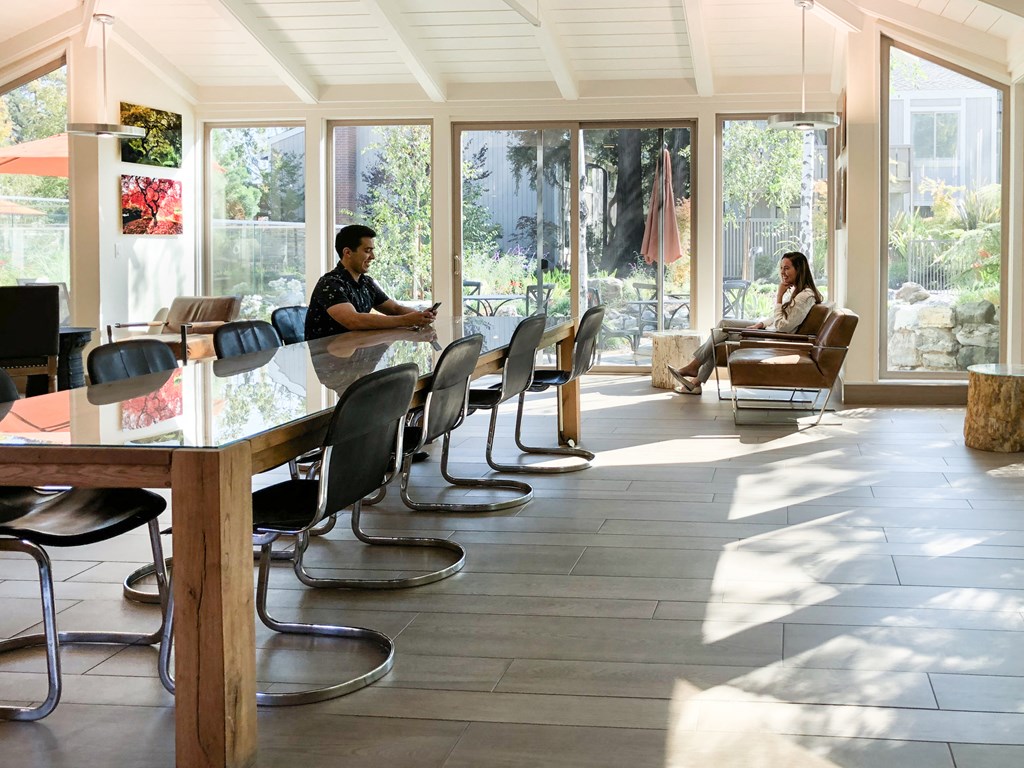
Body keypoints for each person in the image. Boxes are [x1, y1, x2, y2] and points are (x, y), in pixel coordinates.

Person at [667, 251, 823, 395]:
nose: (782, 272)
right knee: (723, 323)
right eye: (781, 268)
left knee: (720, 335)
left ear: (799, 270)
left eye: (787, 268)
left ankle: (694, 374)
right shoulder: (798, 291)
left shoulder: (805, 296)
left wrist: (779, 297)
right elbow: (782, 317)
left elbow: (784, 327)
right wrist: (761, 324)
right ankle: (695, 375)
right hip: (770, 331)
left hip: (776, 339)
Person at [305, 224, 437, 341]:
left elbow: (395, 309)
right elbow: (353, 320)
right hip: (328, 361)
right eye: (368, 251)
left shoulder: (367, 283)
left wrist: (420, 316)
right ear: (347, 252)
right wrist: (406, 320)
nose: (373, 257)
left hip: (357, 356)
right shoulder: (329, 284)